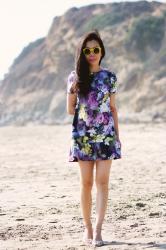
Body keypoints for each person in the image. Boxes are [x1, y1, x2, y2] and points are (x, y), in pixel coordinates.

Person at [66, 30, 122, 247]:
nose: (91, 53)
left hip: (106, 137)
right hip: (82, 137)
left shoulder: (109, 77)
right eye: (87, 50)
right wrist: (83, 105)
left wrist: (117, 136)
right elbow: (70, 110)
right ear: (82, 52)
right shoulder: (75, 77)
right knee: (86, 183)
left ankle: (98, 230)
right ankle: (87, 228)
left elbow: (114, 108)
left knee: (103, 182)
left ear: (101, 52)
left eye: (95, 49)